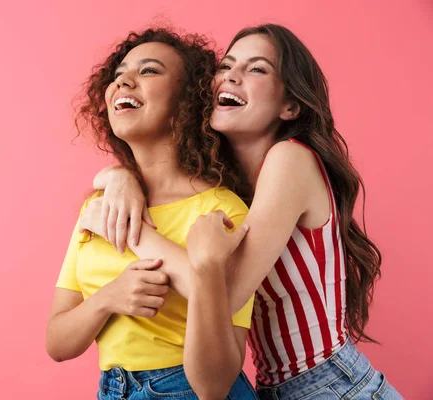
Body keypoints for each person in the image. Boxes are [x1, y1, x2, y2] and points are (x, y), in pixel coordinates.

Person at [90, 24, 403, 399]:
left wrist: (132, 232)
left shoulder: (292, 161)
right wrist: (118, 176)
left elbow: (225, 293)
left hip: (332, 385)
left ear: (290, 105)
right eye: (226, 66)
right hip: (273, 388)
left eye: (257, 69)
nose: (232, 76)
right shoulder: (229, 185)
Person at [46, 28, 257, 400]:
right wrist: (109, 298)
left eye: (148, 71)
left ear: (187, 100)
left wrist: (139, 237)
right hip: (113, 390)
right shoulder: (99, 205)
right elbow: (57, 343)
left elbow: (218, 380)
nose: (123, 81)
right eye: (118, 75)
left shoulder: (222, 211)